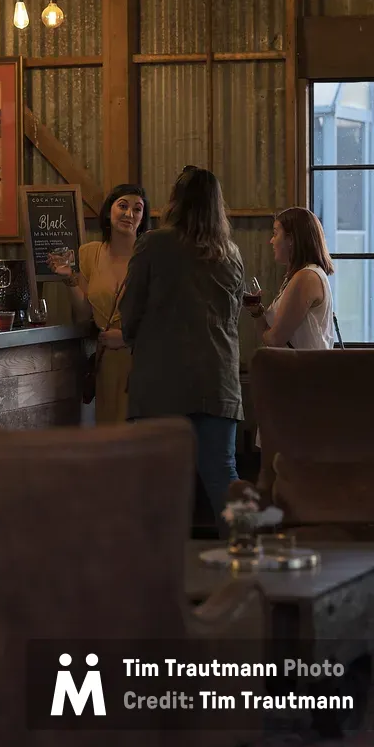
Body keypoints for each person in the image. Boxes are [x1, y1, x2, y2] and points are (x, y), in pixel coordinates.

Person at [119, 167, 245, 536]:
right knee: (222, 473)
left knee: (156, 481)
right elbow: (233, 315)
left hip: (161, 381)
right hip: (218, 379)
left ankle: (158, 572)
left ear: (176, 201)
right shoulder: (231, 253)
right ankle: (247, 564)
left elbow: (130, 312)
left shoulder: (154, 244)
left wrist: (133, 337)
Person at [48, 184, 150, 424]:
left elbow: (164, 313)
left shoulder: (149, 256)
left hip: (144, 358)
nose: (129, 214)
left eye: (137, 209)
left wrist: (127, 337)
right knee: (110, 436)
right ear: (108, 211)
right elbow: (84, 314)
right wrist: (68, 278)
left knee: (140, 439)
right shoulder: (90, 254)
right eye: (122, 206)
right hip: (107, 362)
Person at [246, 206, 336, 349]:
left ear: (291, 239)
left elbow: (274, 340)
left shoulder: (306, 278)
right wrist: (257, 311)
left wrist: (265, 328)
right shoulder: (303, 275)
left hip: (302, 370)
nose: (271, 241)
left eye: (275, 234)